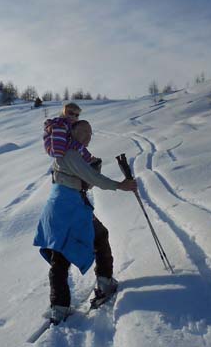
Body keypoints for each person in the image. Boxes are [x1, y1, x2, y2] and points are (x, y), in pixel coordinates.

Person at [33, 120, 137, 324]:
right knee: (99, 236)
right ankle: (105, 283)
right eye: (83, 132)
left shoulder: (65, 154)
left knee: (60, 254)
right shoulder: (71, 154)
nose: (88, 137)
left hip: (58, 207)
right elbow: (93, 180)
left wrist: (92, 171)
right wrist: (120, 185)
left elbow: (83, 180)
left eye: (90, 134)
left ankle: (59, 306)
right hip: (71, 207)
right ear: (72, 133)